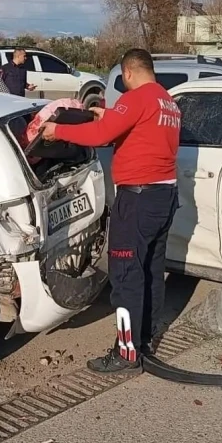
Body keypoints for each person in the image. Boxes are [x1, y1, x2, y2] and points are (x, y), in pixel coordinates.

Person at [41, 48, 180, 374]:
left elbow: (102, 136)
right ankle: (143, 339)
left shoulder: (136, 98)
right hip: (165, 196)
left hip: (137, 200)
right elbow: (133, 130)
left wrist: (57, 131)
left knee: (125, 276)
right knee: (149, 271)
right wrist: (109, 117)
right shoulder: (167, 102)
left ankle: (126, 354)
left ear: (128, 72)